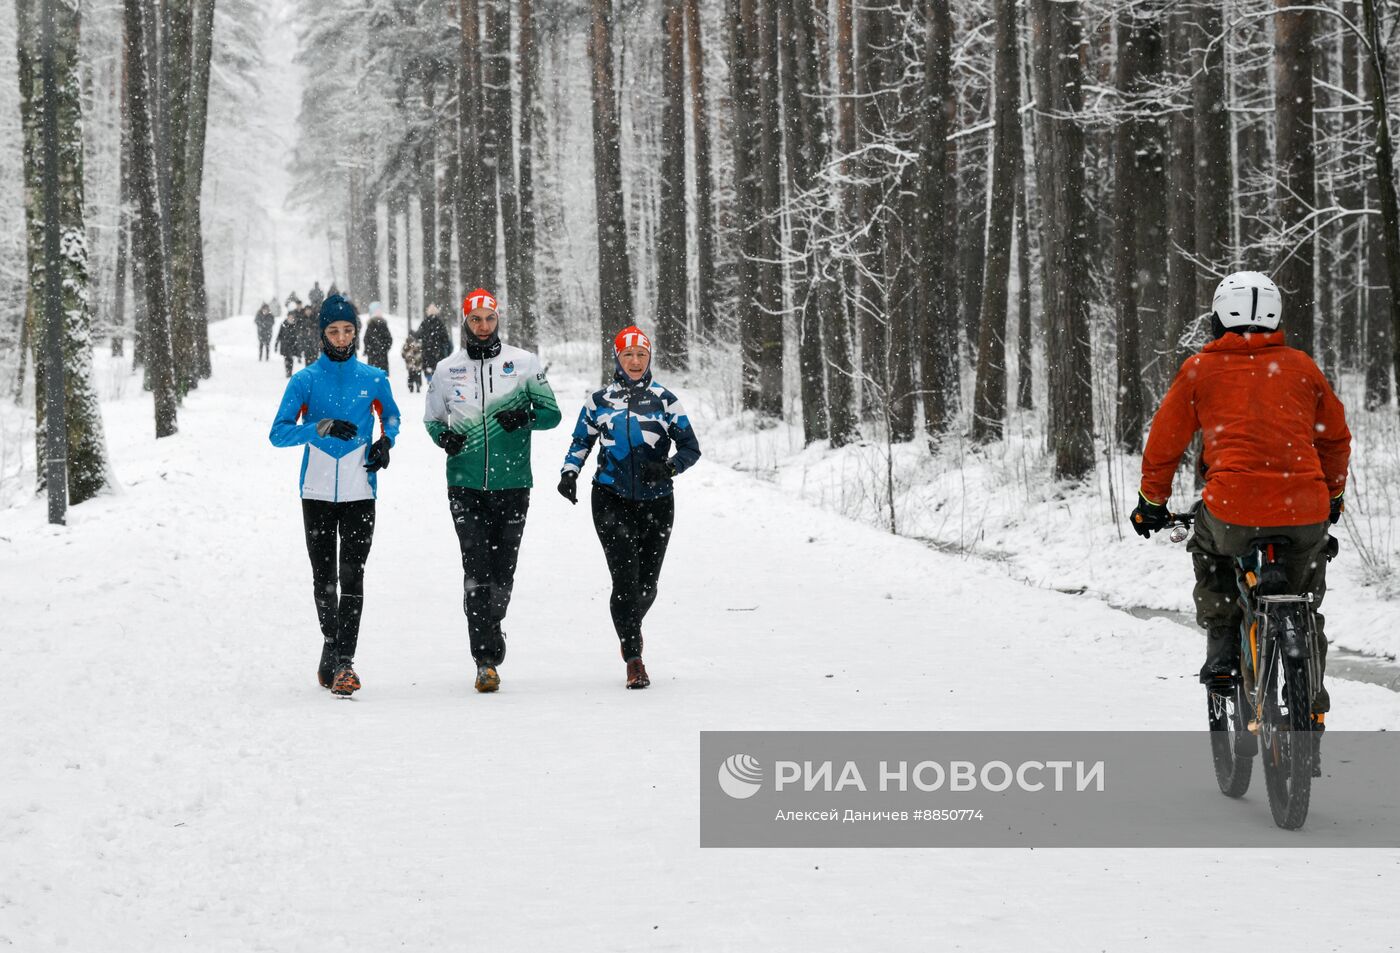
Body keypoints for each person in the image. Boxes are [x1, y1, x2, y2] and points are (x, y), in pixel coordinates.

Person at [1130, 271, 1350, 717]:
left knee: (1210, 551)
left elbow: (1164, 443)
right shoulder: (1302, 367)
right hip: (1303, 512)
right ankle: (1310, 694)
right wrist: (1331, 496)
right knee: (1304, 594)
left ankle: (1224, 652)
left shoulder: (1200, 370)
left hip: (1232, 511)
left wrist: (1152, 503)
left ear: (1217, 319)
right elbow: (1334, 438)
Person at [423, 288, 561, 693]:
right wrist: (443, 439)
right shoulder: (447, 369)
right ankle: (484, 659)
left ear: (497, 319)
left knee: (503, 576)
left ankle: (492, 626)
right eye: (475, 319)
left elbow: (552, 415)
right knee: (476, 570)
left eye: (488, 318)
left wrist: (526, 416)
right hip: (464, 484)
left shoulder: (522, 363)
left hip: (513, 482)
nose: (482, 326)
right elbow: (432, 420)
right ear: (464, 322)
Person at [269, 294, 401, 696]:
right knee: (324, 577)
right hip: (317, 491)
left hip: (362, 489)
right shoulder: (305, 380)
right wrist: (319, 427)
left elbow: (392, 415)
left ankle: (345, 661)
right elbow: (279, 433)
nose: (342, 338)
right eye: (333, 331)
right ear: (322, 334)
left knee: (352, 575)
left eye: (348, 330)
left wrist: (386, 442)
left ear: (356, 333)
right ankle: (332, 642)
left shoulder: (374, 378)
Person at [557, 326, 701, 689]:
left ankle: (627, 624)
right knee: (625, 579)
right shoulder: (599, 401)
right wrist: (569, 473)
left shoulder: (665, 400)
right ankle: (634, 656)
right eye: (627, 355)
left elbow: (690, 448)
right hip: (610, 497)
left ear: (649, 358)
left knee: (647, 584)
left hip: (657, 501)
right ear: (616, 359)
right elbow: (581, 441)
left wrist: (668, 467)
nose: (634, 362)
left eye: (641, 355)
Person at [417, 303, 452, 385]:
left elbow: (419, 335)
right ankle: (435, 378)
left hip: (426, 349)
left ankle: (429, 378)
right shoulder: (440, 323)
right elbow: (445, 337)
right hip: (438, 350)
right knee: (437, 366)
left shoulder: (425, 322)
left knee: (428, 365)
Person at [275, 309, 300, 378]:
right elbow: (279, 334)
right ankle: (287, 371)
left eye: (292, 317)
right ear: (287, 317)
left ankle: (290, 372)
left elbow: (298, 335)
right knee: (286, 359)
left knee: (291, 359)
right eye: (289, 316)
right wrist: (276, 344)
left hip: (293, 344)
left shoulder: (296, 324)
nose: (291, 318)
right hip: (285, 345)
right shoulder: (283, 324)